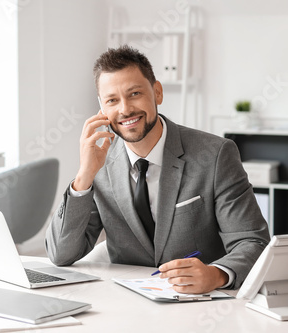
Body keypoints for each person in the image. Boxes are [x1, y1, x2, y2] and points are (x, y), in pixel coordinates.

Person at [45, 45, 270, 294]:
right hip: (127, 302)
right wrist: (84, 175)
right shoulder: (99, 162)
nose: (125, 109)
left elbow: (253, 242)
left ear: (157, 92)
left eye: (134, 94)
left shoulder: (215, 154)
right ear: (102, 108)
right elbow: (60, 254)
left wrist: (215, 275)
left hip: (200, 303)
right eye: (112, 100)